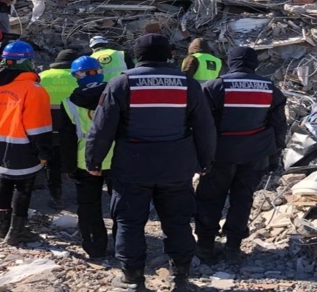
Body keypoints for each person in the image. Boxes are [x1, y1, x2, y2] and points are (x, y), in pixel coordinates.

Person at [85, 33, 217, 290]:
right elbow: (204, 128)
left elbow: (101, 129)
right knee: (177, 221)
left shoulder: (121, 83)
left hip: (132, 165)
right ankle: (181, 278)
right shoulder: (188, 84)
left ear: (137, 56)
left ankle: (132, 279)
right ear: (169, 55)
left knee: (129, 222)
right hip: (176, 166)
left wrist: (94, 160)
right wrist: (205, 161)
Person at [195, 46, 287, 265]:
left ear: (230, 61)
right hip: (255, 155)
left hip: (219, 155)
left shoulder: (215, 86)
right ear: (254, 64)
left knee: (209, 198)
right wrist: (274, 157)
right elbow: (278, 127)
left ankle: (205, 246)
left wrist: (199, 157)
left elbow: (201, 126)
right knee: (242, 199)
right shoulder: (270, 89)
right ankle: (233, 248)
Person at [0, 41, 53, 246]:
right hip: (22, 146)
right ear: (27, 62)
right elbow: (39, 127)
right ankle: (16, 231)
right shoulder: (33, 89)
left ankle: (2, 227)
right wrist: (44, 152)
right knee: (23, 186)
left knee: (4, 181)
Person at [60, 56, 115, 259]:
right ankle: (124, 244)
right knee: (121, 203)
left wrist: (69, 167)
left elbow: (67, 139)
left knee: (88, 205)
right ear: (99, 72)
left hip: (85, 161)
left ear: (77, 76)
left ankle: (94, 247)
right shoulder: (116, 95)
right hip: (116, 158)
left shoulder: (70, 103)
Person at [38, 49, 80, 209]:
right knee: (76, 162)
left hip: (47, 128)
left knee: (52, 164)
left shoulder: (42, 76)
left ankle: (56, 198)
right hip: (73, 129)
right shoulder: (78, 76)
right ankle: (80, 196)